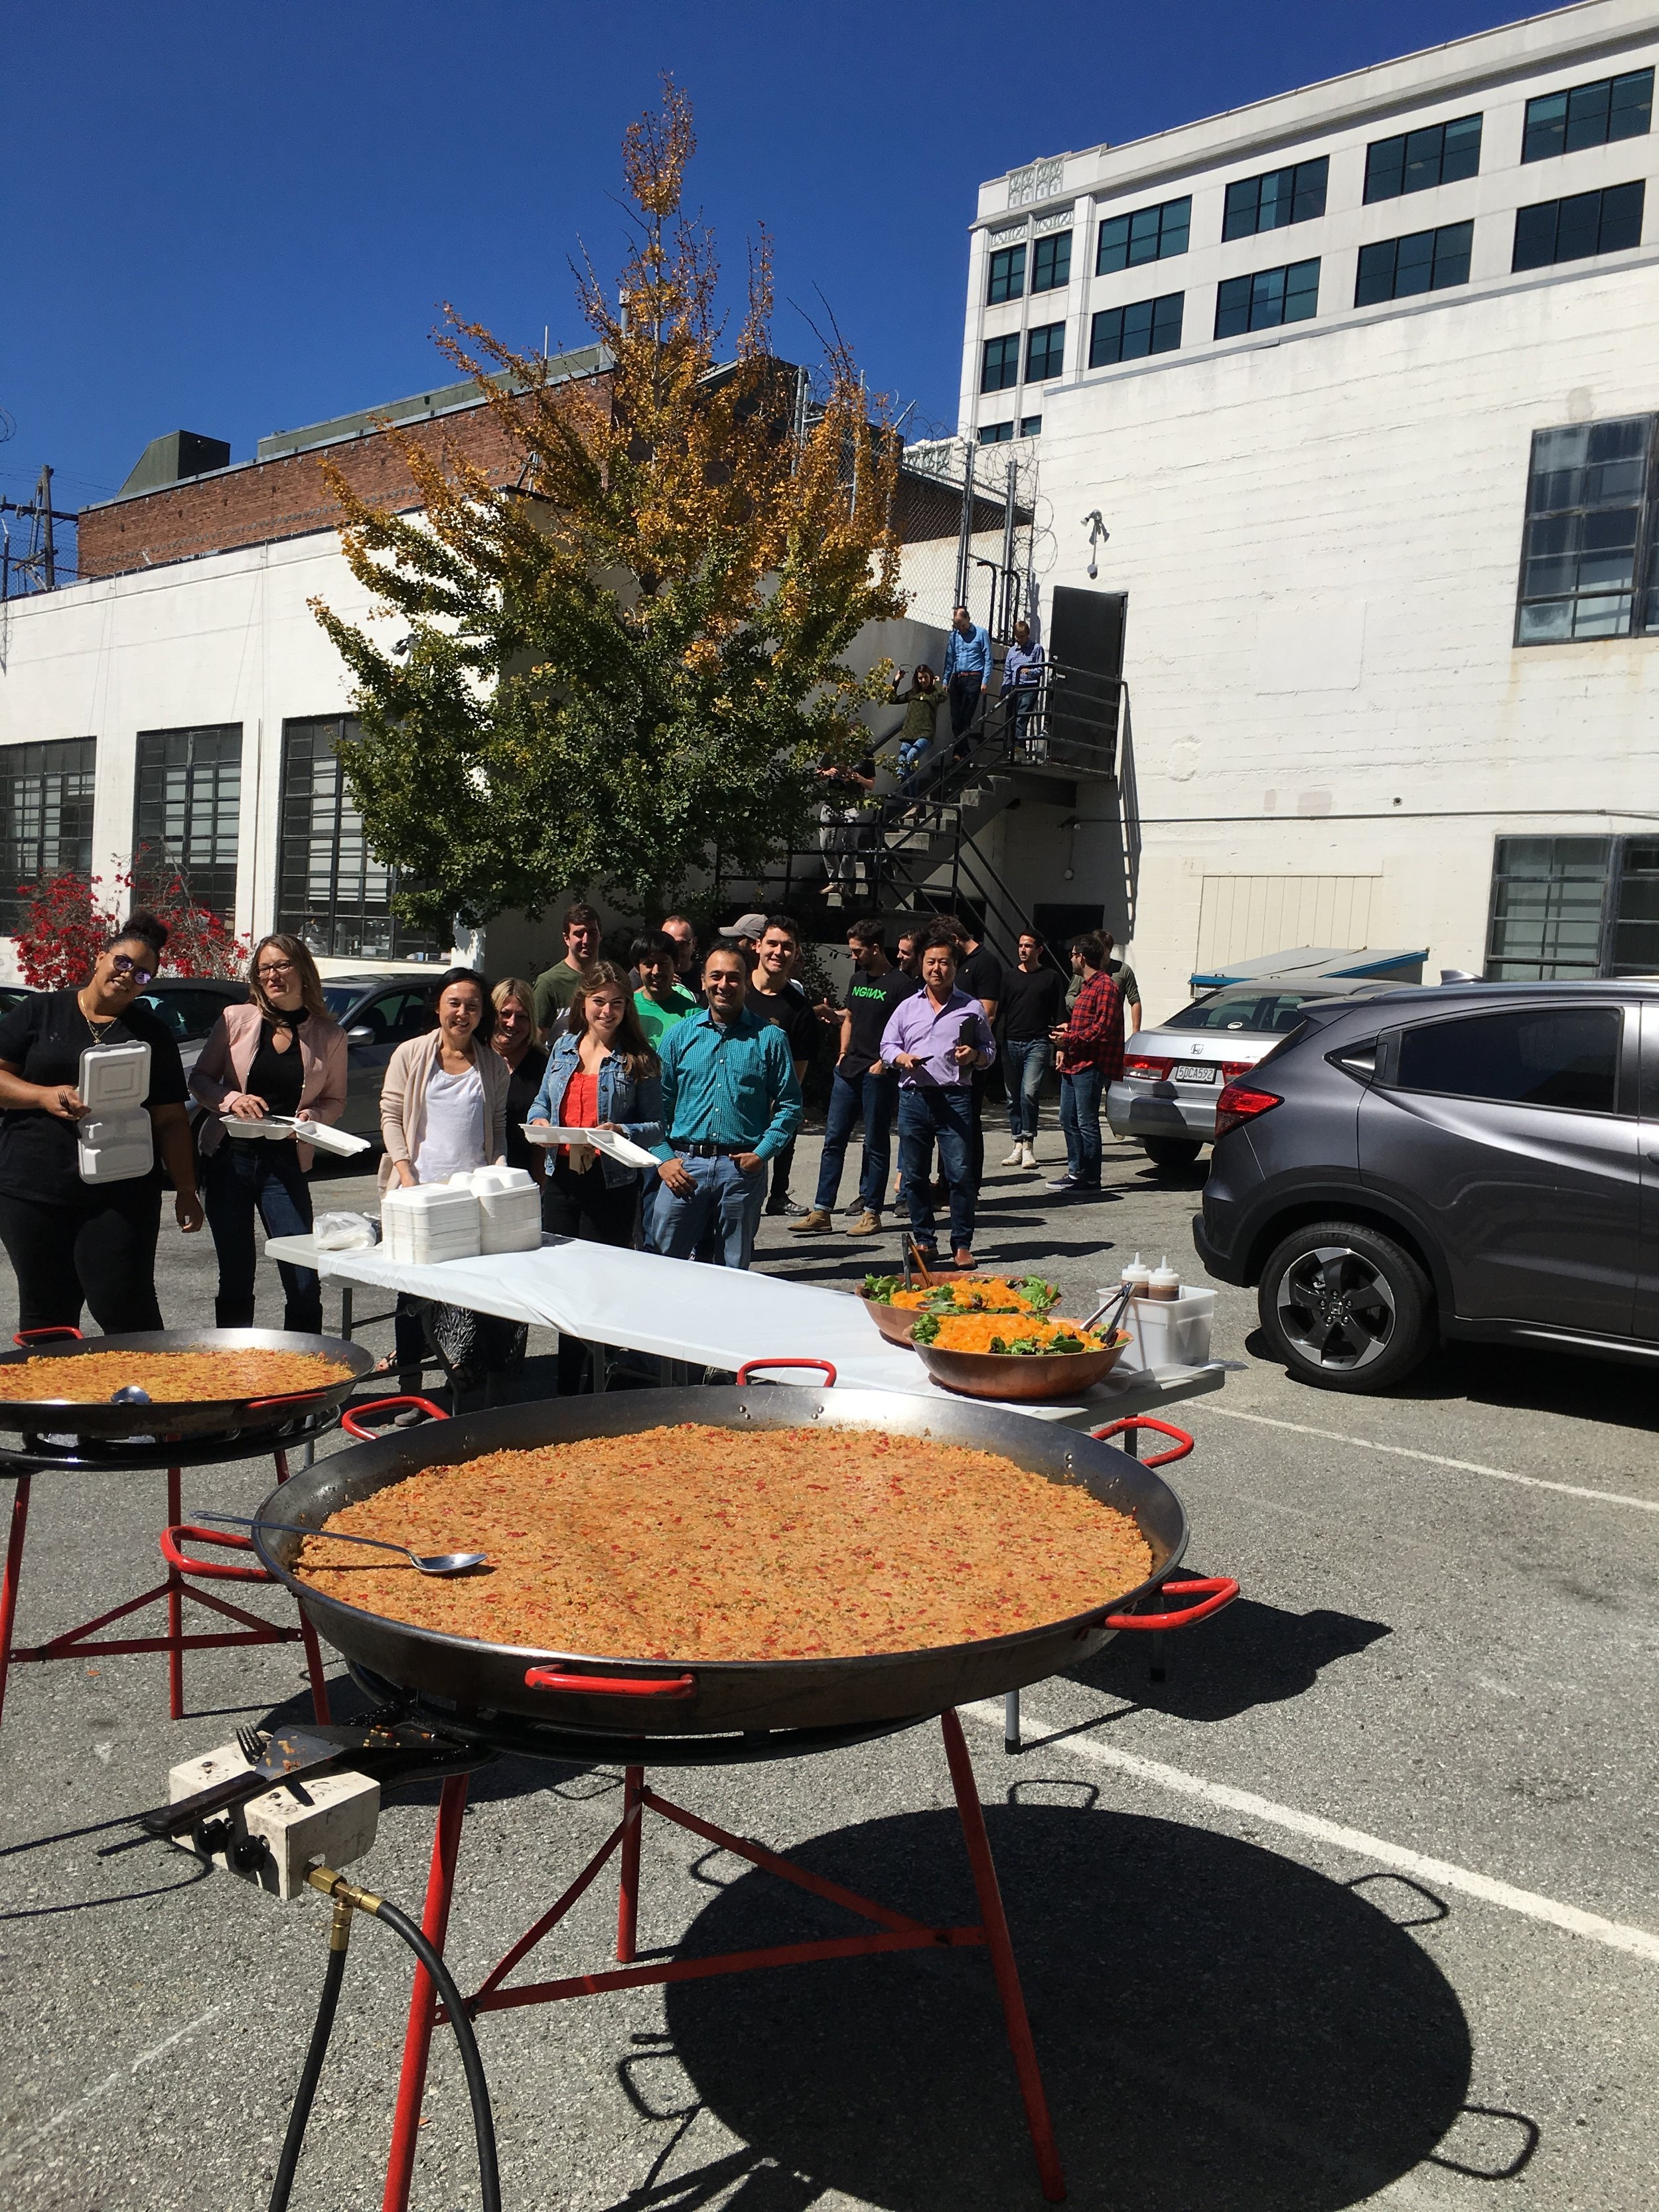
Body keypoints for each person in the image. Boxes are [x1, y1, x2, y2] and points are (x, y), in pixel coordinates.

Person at [0, 913, 202, 1333]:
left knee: (126, 1306)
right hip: (33, 1188)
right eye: (123, 963)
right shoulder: (42, 1011)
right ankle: (52, 1399)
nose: (129, 976)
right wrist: (42, 1096)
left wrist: (186, 1189)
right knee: (46, 1313)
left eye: (143, 974)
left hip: (121, 1192)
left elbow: (169, 1121)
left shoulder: (152, 1034)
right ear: (100, 958)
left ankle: (147, 1397)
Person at [192, 934, 349, 1333]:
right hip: (230, 1159)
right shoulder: (236, 1019)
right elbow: (201, 1079)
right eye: (264, 968)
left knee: (302, 1278)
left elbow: (335, 1100)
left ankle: (305, 1376)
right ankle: (234, 1373)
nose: (273, 975)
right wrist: (231, 1100)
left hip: (285, 1163)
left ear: (302, 970)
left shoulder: (330, 1036)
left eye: (281, 965)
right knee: (236, 1275)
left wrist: (311, 1116)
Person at [380, 968, 514, 1408]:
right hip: (419, 1193)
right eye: (454, 1003)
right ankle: (409, 1389)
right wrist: (406, 1174)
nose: (462, 1013)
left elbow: (496, 1125)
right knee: (412, 1296)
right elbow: (391, 1115)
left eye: (472, 1006)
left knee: (474, 1293)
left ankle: (465, 1380)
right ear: (438, 1006)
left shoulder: (493, 1063)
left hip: (471, 1197)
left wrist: (499, 1175)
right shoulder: (411, 1054)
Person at [528, 963, 662, 1392]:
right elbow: (538, 1104)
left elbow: (659, 1125)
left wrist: (623, 1130)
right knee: (565, 1287)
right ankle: (568, 1384)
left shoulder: (639, 1057)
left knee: (598, 1290)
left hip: (611, 1186)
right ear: (583, 1003)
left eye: (617, 1003)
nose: (608, 1011)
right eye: (599, 1001)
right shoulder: (563, 1047)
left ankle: (594, 1385)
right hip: (563, 1182)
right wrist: (543, 1120)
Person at [650, 946, 802, 1270]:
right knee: (662, 1266)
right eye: (716, 976)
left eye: (733, 978)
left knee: (733, 1270)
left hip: (741, 1171)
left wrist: (762, 1153)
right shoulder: (679, 1036)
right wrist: (664, 1160)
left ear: (746, 983)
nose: (724, 985)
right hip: (683, 1168)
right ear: (703, 981)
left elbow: (790, 1105)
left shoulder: (770, 1038)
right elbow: (654, 1107)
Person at [790, 917, 914, 1237]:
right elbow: (853, 1015)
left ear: (875, 948)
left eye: (858, 950)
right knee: (833, 1141)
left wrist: (885, 1064)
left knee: (875, 1142)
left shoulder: (902, 985)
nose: (854, 956)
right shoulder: (858, 978)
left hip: (878, 1072)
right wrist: (842, 1050)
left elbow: (907, 1031)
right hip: (849, 1069)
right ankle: (823, 1210)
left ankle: (872, 1212)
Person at [879, 929, 993, 1270]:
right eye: (931, 962)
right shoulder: (906, 1007)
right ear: (921, 965)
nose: (937, 969)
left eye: (944, 962)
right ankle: (925, 1241)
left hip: (955, 1098)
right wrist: (903, 1060)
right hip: (914, 1098)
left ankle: (962, 1244)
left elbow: (990, 1050)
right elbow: (887, 1047)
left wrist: (974, 1055)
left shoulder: (971, 1007)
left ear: (955, 967)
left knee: (959, 1174)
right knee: (914, 1175)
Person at [747, 915, 824, 1218]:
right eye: (772, 944)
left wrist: (780, 1108)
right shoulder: (734, 990)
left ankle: (777, 1196)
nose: (779, 952)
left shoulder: (799, 1008)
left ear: (796, 953)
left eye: (787, 947)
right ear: (758, 946)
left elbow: (797, 1069)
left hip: (769, 1106)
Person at [1047, 933, 1123, 1196]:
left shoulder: (1106, 986)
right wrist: (1067, 1030)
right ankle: (1076, 1171)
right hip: (1073, 1060)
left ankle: (1091, 1179)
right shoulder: (1086, 985)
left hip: (1091, 1064)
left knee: (1086, 1121)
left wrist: (1070, 1038)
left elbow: (1103, 1029)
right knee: (1066, 1117)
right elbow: (1088, 1023)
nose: (1071, 959)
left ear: (1081, 956)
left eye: (1072, 954)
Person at [998, 930, 1065, 1170]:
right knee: (1012, 1097)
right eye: (1020, 945)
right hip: (1011, 1043)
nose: (1023, 950)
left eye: (1028, 946)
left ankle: (1028, 1144)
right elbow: (999, 1010)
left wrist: (1060, 1046)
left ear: (1039, 950)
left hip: (1036, 1043)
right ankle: (1017, 1143)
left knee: (1029, 1092)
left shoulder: (1050, 977)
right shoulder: (1008, 977)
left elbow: (1059, 1014)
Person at [948, 916, 1003, 1195]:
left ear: (957, 940)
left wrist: (971, 1050)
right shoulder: (960, 963)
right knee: (947, 1123)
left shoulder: (986, 963)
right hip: (949, 1060)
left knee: (968, 1121)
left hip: (972, 1058)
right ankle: (946, 1182)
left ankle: (970, 1187)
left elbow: (988, 1014)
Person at [490, 978, 549, 1181]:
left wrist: (538, 1186)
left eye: (522, 1017)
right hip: (474, 1174)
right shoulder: (475, 1058)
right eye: (504, 1014)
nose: (512, 1023)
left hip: (523, 1178)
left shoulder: (544, 1066)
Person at [532, 902, 603, 1038]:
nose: (586, 940)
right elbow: (537, 1040)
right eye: (579, 934)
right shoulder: (549, 983)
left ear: (601, 936)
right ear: (567, 938)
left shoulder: (608, 978)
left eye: (592, 933)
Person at [631, 932, 698, 1052]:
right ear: (637, 967)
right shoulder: (626, 1007)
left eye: (663, 963)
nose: (656, 971)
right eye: (649, 964)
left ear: (676, 965)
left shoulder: (693, 1014)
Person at [941, 603, 993, 753]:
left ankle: (959, 754)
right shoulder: (954, 637)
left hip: (974, 678)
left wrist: (985, 681)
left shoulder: (981, 633)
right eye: (957, 625)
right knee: (955, 719)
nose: (960, 628)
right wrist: (945, 679)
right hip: (957, 678)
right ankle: (964, 752)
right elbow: (950, 659)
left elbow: (988, 658)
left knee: (966, 717)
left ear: (968, 620)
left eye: (962, 625)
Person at [999, 619, 1045, 753]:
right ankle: (1011, 750)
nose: (1018, 639)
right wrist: (1004, 690)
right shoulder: (1012, 652)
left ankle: (1019, 750)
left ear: (1028, 634)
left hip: (1029, 688)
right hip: (1014, 689)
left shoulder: (1036, 649)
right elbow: (1007, 673)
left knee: (1021, 718)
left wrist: (1030, 672)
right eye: (1017, 637)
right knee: (1010, 719)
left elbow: (1041, 669)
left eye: (1022, 637)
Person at [891, 664, 941, 782]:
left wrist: (937, 684)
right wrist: (897, 680)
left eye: (926, 677)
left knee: (910, 758)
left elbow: (943, 697)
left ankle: (912, 798)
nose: (923, 680)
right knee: (901, 770)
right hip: (909, 733)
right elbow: (892, 699)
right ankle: (908, 799)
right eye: (920, 678)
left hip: (925, 734)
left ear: (930, 677)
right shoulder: (913, 693)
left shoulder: (934, 694)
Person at [662, 915, 701, 1000]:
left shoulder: (705, 976)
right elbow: (628, 1001)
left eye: (682, 944)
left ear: (694, 943)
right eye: (669, 944)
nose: (675, 950)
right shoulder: (645, 973)